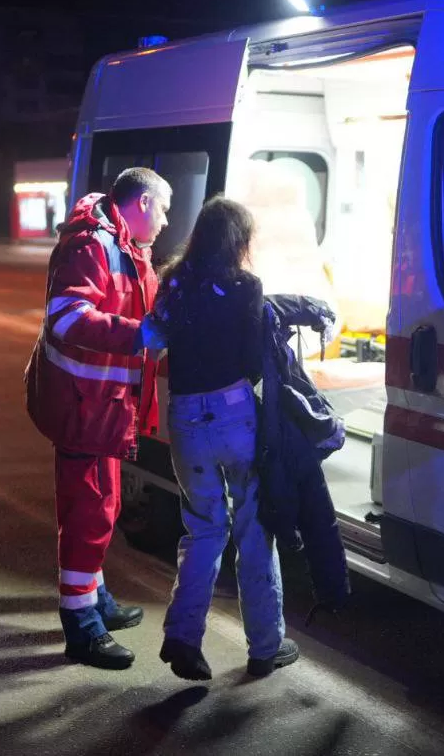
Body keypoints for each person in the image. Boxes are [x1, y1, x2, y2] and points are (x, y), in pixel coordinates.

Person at [144, 196, 299, 681]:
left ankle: (182, 637)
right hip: (235, 416)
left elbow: (153, 339)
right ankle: (266, 646)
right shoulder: (246, 286)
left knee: (205, 530)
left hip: (186, 418)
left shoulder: (174, 282)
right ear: (238, 241)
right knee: (253, 528)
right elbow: (254, 362)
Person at [24, 168, 171, 669]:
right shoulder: (93, 245)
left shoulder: (122, 243)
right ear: (143, 202)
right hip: (82, 404)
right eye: (164, 209)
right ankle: (81, 625)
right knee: (89, 511)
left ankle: (94, 597)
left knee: (102, 506)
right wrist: (138, 335)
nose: (166, 222)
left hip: (98, 402)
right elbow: (67, 318)